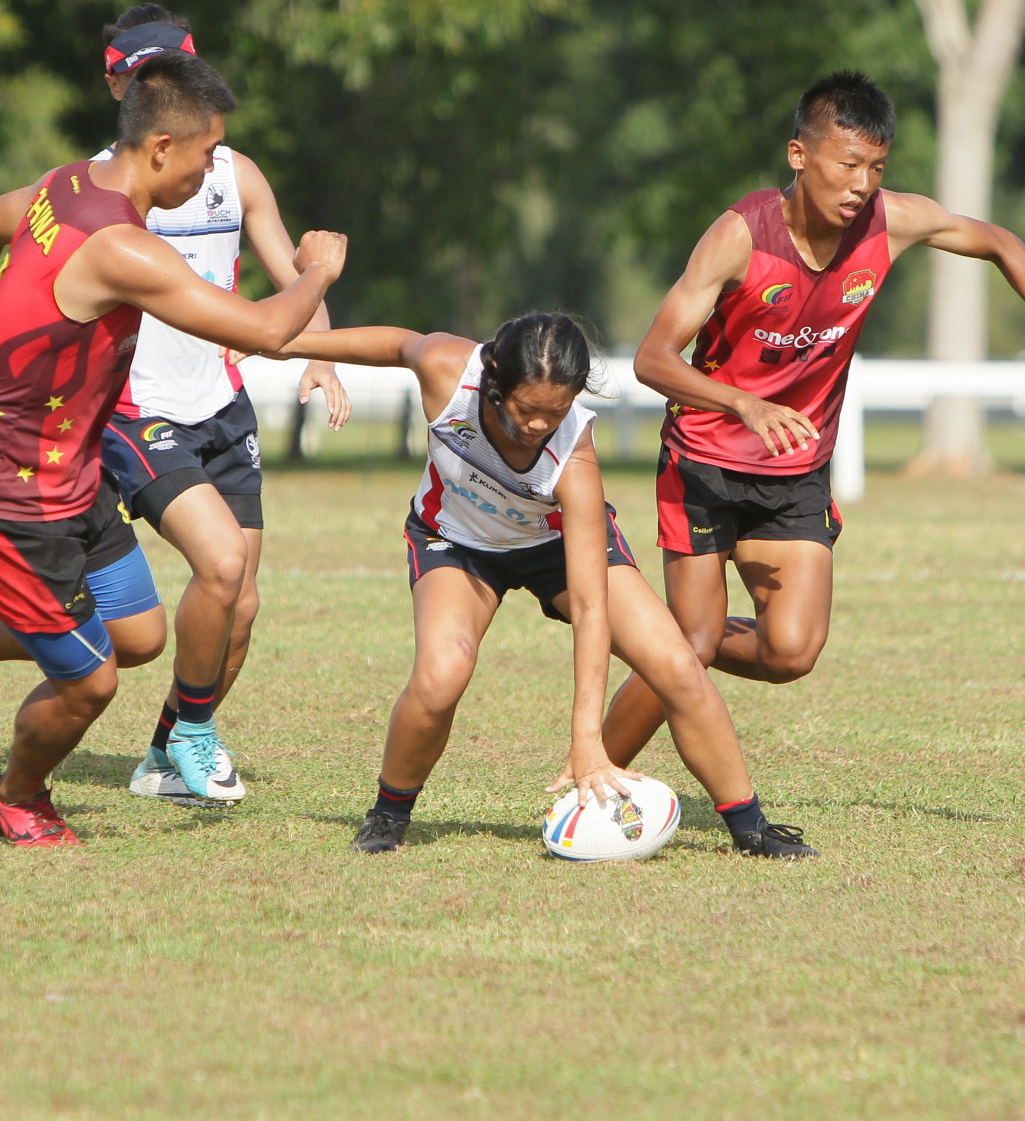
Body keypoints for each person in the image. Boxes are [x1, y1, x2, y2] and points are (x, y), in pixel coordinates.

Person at [598, 70, 1025, 767]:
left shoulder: (889, 223)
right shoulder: (739, 237)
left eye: (876, 168)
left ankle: (651, 639)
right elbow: (653, 359)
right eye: (848, 164)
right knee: (692, 647)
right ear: (799, 156)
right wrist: (742, 402)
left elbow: (1000, 241)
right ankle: (592, 778)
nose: (861, 184)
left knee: (792, 652)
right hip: (704, 460)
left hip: (796, 472)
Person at [0, 52, 347, 847]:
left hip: (66, 478)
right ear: (162, 148)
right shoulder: (123, 250)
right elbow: (269, 330)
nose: (216, 171)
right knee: (88, 679)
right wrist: (316, 271)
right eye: (209, 152)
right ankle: (19, 797)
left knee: (138, 636)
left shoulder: (66, 182)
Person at [265, 312, 817, 858]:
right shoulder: (449, 371)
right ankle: (389, 813)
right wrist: (283, 342)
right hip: (456, 541)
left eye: (554, 413)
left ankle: (751, 827)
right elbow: (395, 342)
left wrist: (587, 739)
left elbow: (590, 607)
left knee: (677, 666)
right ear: (496, 377)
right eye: (526, 409)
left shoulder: (573, 453)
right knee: (441, 674)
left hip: (551, 549)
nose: (537, 425)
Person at [90, 6, 349, 809]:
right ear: (116, 85)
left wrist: (322, 359)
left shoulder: (233, 173)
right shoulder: (100, 187)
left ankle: (168, 752)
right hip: (139, 408)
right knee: (221, 568)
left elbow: (291, 273)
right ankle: (194, 734)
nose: (161, 87)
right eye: (144, 76)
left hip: (222, 407)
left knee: (242, 604)